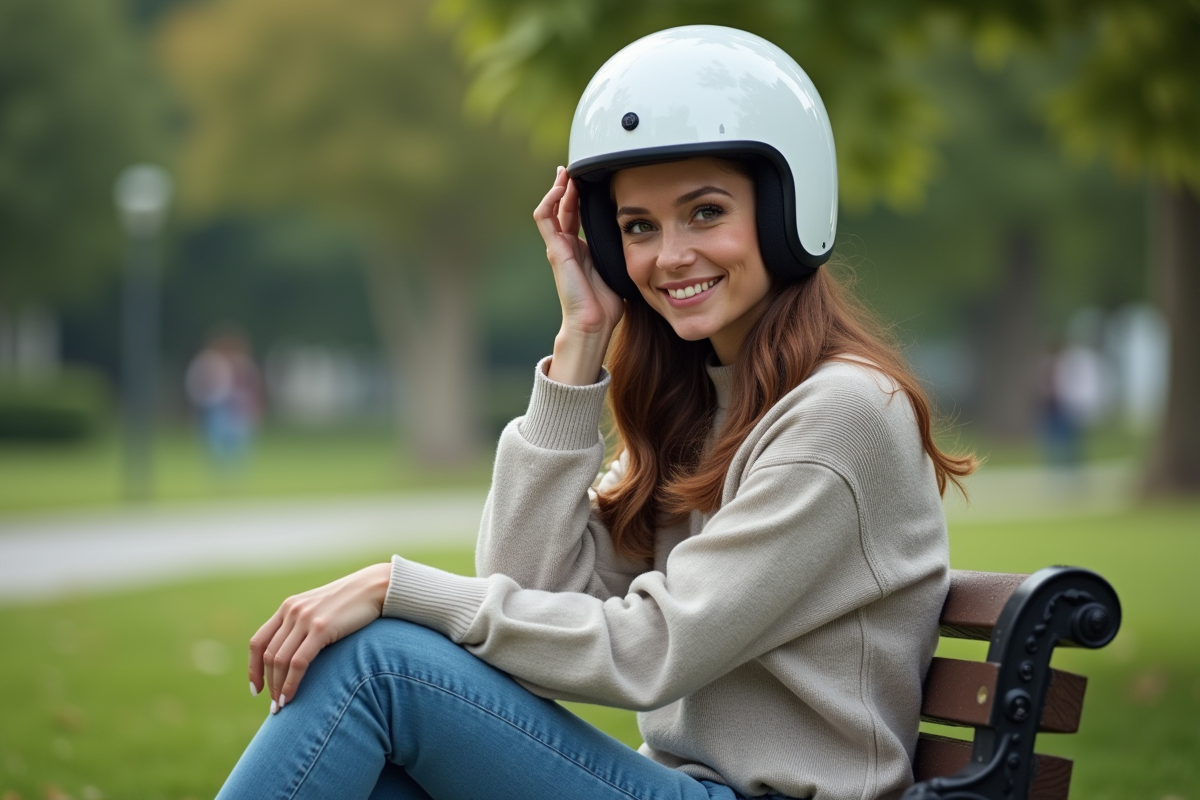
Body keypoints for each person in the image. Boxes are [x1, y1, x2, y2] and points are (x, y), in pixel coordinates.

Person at [216, 26, 976, 800]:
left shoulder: (842, 413)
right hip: (689, 786)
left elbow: (652, 651)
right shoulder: (702, 406)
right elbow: (526, 588)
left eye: (705, 212)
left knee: (376, 667)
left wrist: (395, 587)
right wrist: (581, 340)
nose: (667, 256)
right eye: (638, 228)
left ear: (788, 207)